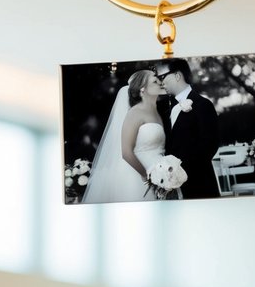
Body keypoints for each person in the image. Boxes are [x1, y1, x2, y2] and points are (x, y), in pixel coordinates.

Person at [82, 69, 167, 203]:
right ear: (143, 89)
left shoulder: (156, 112)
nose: (160, 83)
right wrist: (148, 177)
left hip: (161, 174)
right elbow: (126, 153)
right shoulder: (135, 113)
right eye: (155, 81)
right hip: (139, 177)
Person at [157, 58, 220, 199]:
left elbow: (209, 146)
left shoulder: (203, 104)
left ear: (177, 75)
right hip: (171, 187)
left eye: (162, 77)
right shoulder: (166, 109)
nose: (161, 82)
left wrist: (180, 171)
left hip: (200, 184)